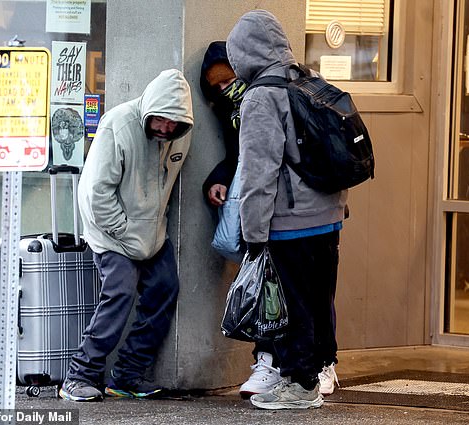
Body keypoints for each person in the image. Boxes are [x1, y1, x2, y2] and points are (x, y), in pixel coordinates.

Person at [226, 10, 345, 409]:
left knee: (290, 305)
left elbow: (258, 172)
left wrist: (253, 232)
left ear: (244, 53)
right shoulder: (311, 81)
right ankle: (320, 371)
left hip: (289, 222)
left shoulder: (262, 96)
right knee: (318, 299)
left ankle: (299, 385)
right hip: (328, 217)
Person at [58, 69, 194, 402]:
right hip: (113, 233)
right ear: (149, 109)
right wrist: (123, 229)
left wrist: (149, 230)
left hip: (151, 234)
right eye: (160, 119)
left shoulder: (180, 135)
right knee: (119, 295)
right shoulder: (118, 125)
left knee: (165, 289)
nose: (165, 128)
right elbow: (95, 194)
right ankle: (79, 375)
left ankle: (128, 375)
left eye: (172, 123)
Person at [199, 41, 282, 398]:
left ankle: (316, 364)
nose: (224, 90)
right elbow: (237, 155)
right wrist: (215, 180)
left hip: (287, 208)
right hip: (258, 208)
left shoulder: (266, 98)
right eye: (216, 88)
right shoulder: (232, 109)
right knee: (267, 289)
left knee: (298, 289)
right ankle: (268, 362)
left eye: (227, 81)